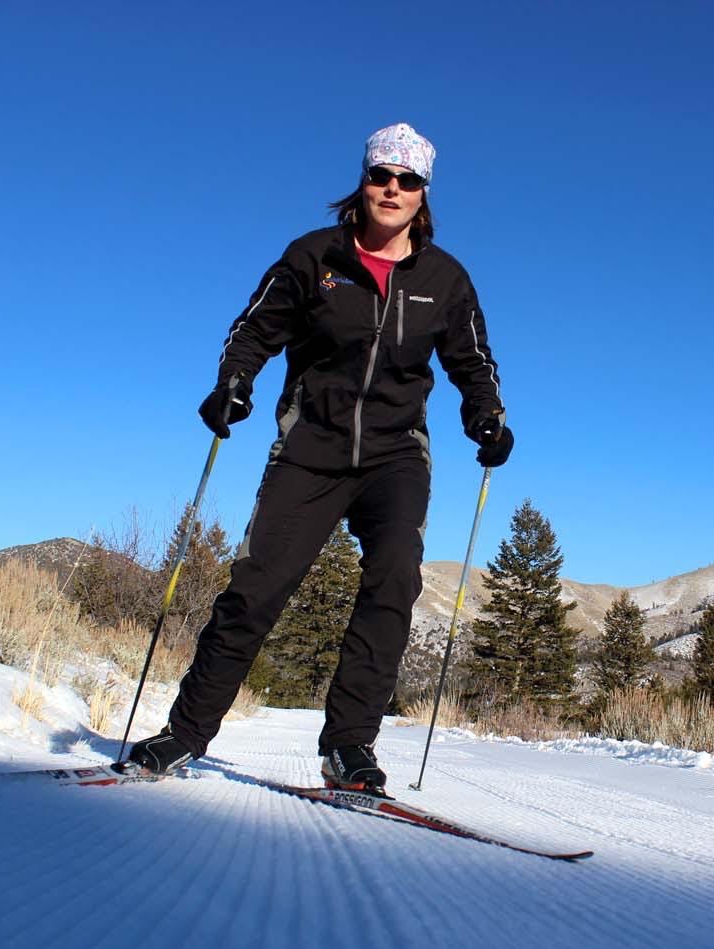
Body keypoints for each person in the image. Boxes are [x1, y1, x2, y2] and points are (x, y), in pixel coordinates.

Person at [129, 123, 512, 794]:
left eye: (409, 180)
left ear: (425, 194)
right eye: (381, 175)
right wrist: (233, 385)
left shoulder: (445, 279)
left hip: (396, 457)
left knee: (394, 581)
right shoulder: (314, 257)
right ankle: (184, 736)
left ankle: (349, 748)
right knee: (254, 591)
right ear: (361, 182)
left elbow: (473, 362)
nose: (392, 189)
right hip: (309, 451)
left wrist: (486, 415)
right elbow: (254, 331)